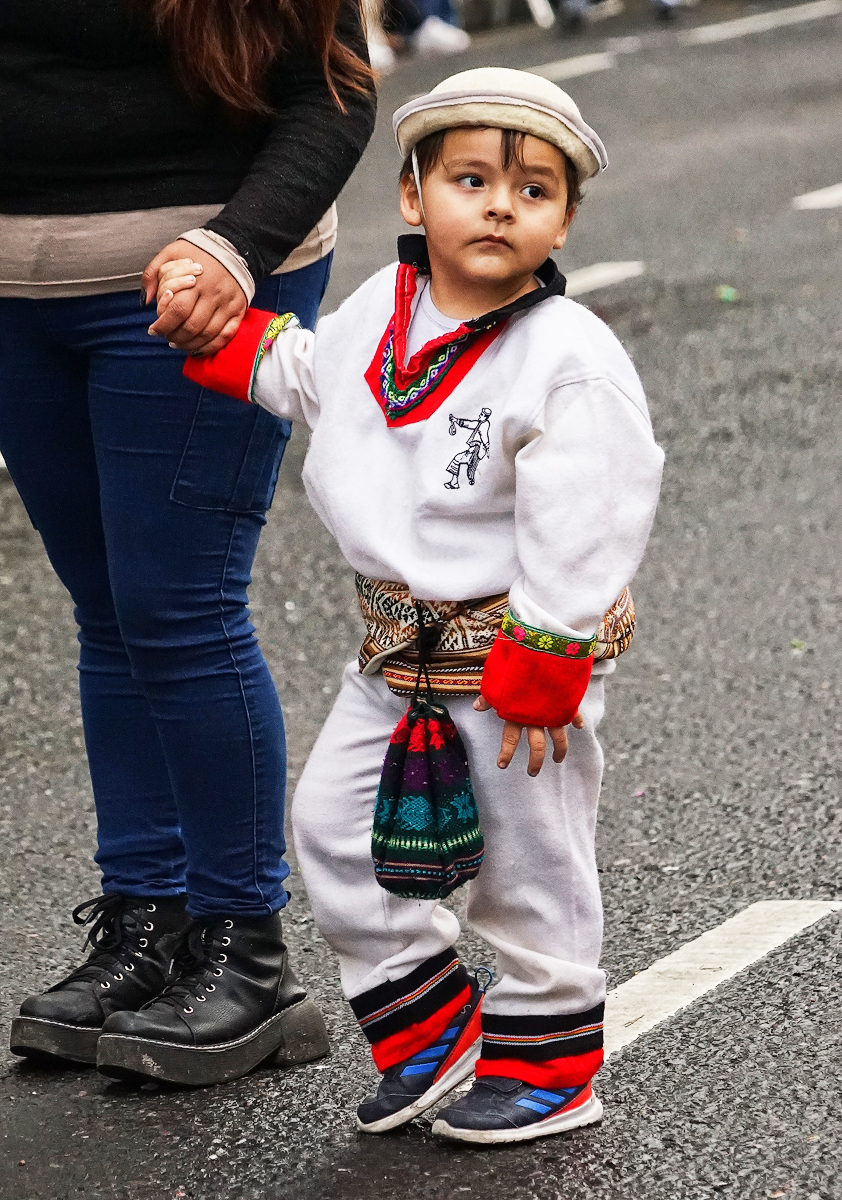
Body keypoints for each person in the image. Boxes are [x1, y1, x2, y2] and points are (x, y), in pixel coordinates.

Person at [165, 67, 663, 1140]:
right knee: (333, 831)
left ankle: (550, 1059)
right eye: (470, 178)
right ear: (410, 197)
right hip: (395, 656)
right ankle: (431, 1032)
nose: (496, 204)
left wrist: (551, 646)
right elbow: (311, 376)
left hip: (517, 662)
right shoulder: (375, 317)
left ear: (564, 218)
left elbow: (595, 505)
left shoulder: (567, 357)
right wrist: (224, 342)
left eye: (531, 191)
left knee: (526, 866)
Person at [2, 0, 375, 1087]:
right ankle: (145, 926)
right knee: (108, 608)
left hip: (197, 280)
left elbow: (331, 88)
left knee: (176, 605)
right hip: (19, 290)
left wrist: (235, 247)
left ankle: (243, 954)